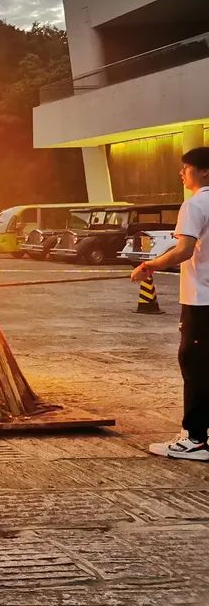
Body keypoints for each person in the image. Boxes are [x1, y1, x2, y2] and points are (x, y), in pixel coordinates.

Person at [134, 147, 209, 461]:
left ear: (203, 171)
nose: (182, 173)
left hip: (201, 299)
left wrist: (149, 265)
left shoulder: (195, 204)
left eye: (186, 167)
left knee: (193, 365)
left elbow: (183, 250)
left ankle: (193, 438)